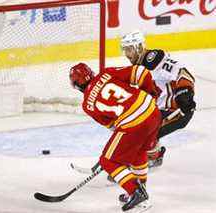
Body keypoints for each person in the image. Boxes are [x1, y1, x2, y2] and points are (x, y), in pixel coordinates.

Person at [69, 63, 162, 211]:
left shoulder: (87, 104)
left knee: (108, 161)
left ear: (76, 85)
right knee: (138, 152)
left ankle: (135, 192)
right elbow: (140, 72)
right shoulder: (106, 74)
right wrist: (150, 94)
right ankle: (140, 188)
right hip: (154, 112)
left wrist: (116, 155)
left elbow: (113, 126)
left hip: (134, 123)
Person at [121, 30, 196, 167]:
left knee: (144, 133)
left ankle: (144, 160)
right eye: (125, 50)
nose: (127, 54)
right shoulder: (137, 66)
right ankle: (154, 155)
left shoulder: (153, 59)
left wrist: (185, 93)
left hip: (178, 110)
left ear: (139, 47)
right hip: (159, 110)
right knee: (136, 127)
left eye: (130, 50)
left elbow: (183, 73)